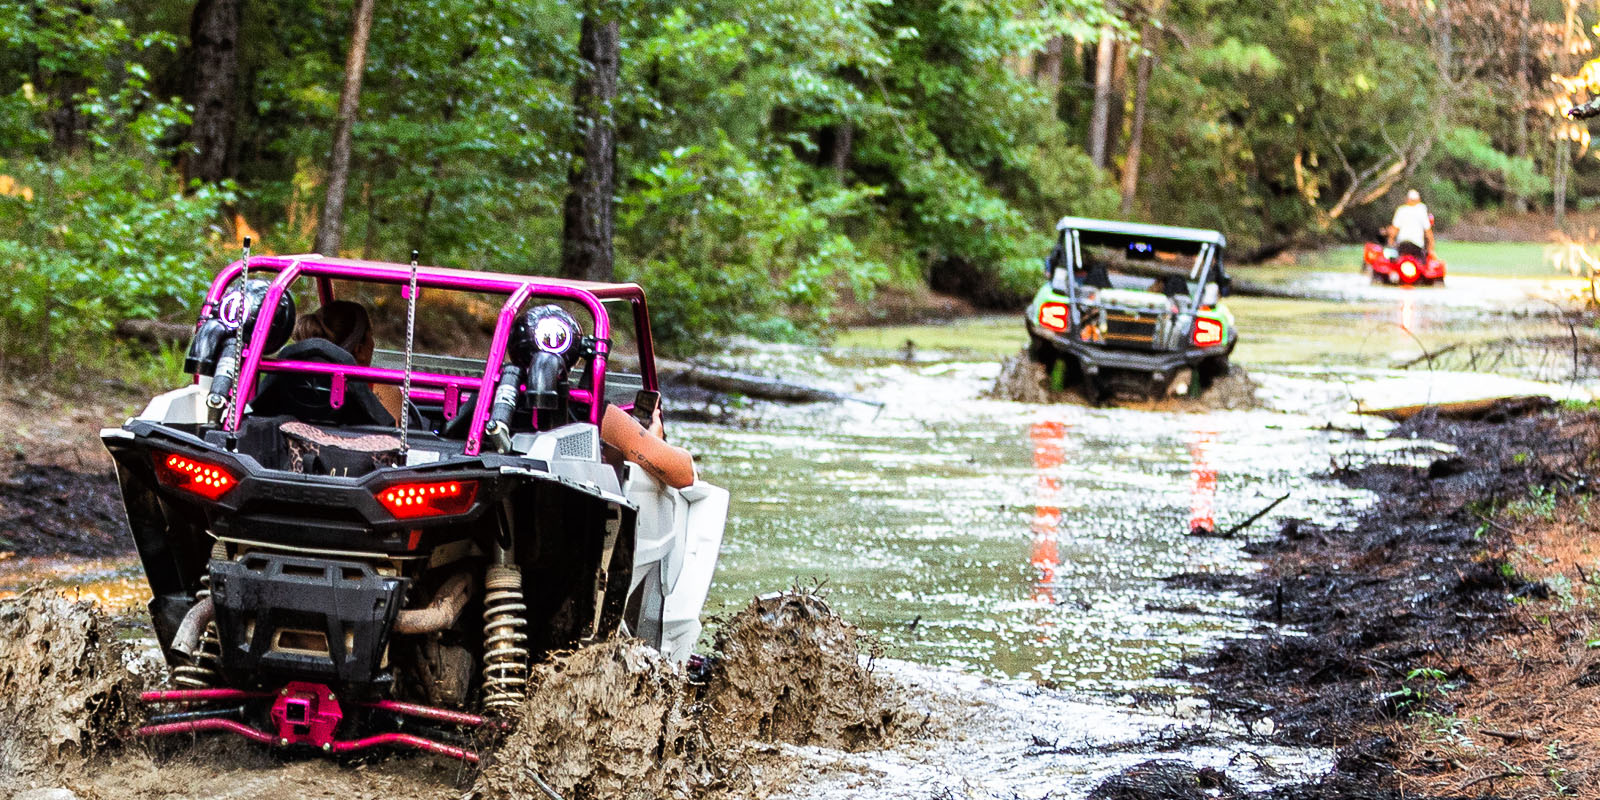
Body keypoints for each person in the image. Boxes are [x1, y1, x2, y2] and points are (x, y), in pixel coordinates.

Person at [1388, 189, 1434, 261]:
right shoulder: (1421, 210)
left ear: (1407, 199)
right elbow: (1428, 233)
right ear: (1418, 200)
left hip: (1402, 245)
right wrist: (1431, 248)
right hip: (1417, 246)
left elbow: (1393, 231)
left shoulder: (1401, 210)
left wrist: (1390, 243)